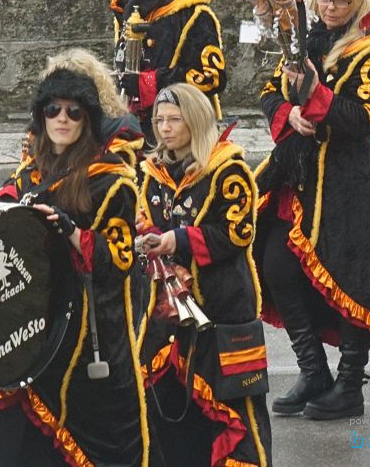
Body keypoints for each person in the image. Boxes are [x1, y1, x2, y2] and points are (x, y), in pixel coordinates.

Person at [254, 0, 370, 421]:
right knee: (276, 264)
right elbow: (267, 90)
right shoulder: (301, 40)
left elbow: (362, 118)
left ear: (357, 1)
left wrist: (315, 103)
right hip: (295, 172)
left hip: (344, 180)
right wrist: (287, 114)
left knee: (346, 278)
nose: (330, 6)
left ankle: (349, 383)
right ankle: (313, 369)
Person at [0, 65, 148, 466]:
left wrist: (72, 232)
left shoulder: (112, 183)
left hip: (79, 339)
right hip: (24, 332)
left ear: (88, 119)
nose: (62, 119)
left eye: (73, 112)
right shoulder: (26, 175)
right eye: (53, 110)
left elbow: (121, 258)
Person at [137, 83, 272, 466]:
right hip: (168, 314)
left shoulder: (229, 171)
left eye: (174, 119)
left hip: (223, 309)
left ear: (195, 120)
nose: (164, 128)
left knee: (235, 408)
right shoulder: (152, 172)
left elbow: (237, 234)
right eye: (159, 120)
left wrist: (176, 239)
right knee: (167, 399)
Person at [107, 0, 227, 144]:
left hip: (183, 132)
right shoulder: (125, 11)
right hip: (134, 128)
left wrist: (148, 84)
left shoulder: (191, 11)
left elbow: (213, 78)